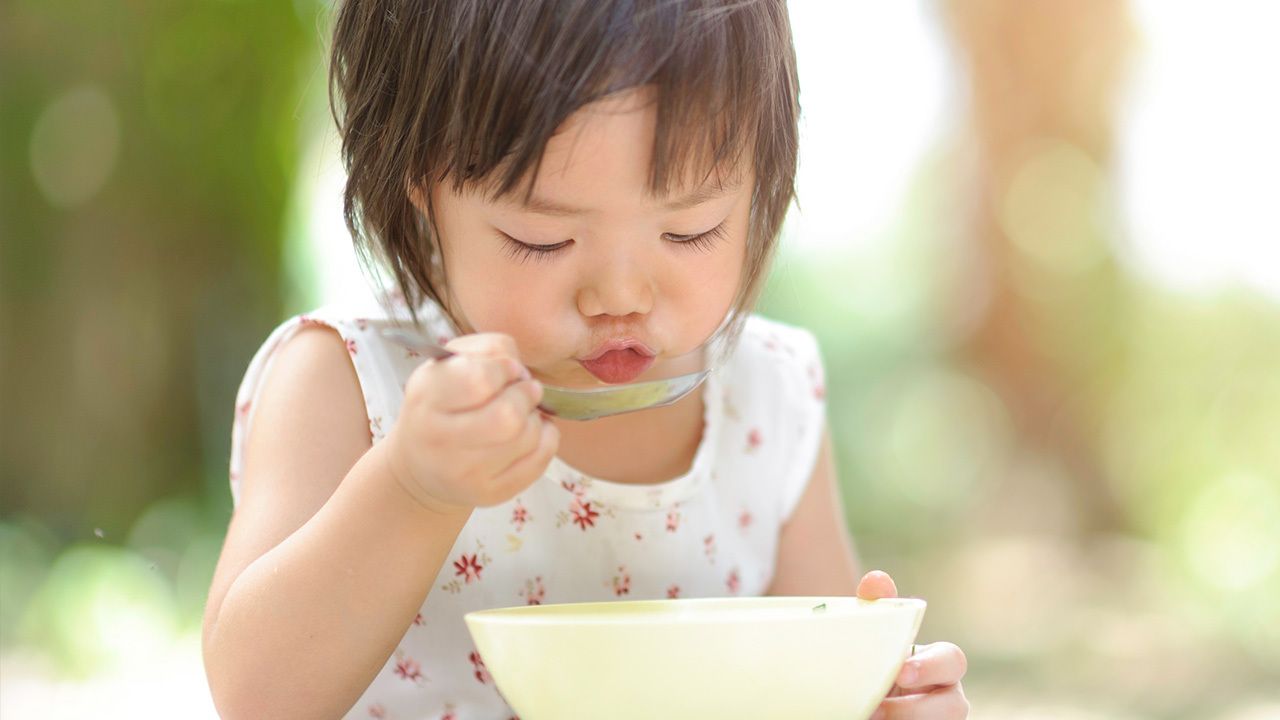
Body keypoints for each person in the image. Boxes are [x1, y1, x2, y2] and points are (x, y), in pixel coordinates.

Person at [201, 1, 969, 717]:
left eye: (691, 230)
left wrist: (884, 700)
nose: (620, 294)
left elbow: (816, 683)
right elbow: (257, 696)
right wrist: (414, 486)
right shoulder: (349, 381)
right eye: (545, 241)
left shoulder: (767, 396)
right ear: (419, 192)